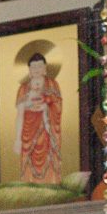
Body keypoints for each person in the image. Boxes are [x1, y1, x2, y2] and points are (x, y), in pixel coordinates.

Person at [15, 53, 64, 184]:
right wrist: (17, 139)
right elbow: (20, 114)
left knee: (50, 157)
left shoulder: (52, 85)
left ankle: (52, 185)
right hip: (29, 132)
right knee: (28, 160)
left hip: (47, 129)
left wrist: (46, 108)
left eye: (39, 66)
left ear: (45, 68)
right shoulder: (23, 89)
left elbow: (58, 106)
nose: (36, 70)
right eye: (33, 67)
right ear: (29, 70)